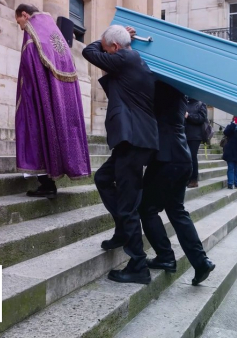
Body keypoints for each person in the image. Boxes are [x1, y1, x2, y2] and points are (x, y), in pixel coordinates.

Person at [82, 25, 159, 285]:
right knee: (103, 178)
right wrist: (115, 40)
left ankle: (138, 265)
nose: (105, 54)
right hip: (136, 140)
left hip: (133, 140)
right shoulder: (133, 60)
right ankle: (121, 232)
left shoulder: (126, 57)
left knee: (128, 206)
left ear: (114, 48)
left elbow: (88, 51)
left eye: (108, 49)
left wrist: (104, 41)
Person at [138, 81, 216, 286]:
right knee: (176, 211)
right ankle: (201, 262)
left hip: (167, 160)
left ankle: (165, 256)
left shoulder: (165, 88)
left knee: (147, 208)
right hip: (181, 158)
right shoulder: (180, 91)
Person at [14, 4, 91, 198]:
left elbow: (30, 71)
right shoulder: (53, 34)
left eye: (19, 22)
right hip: (61, 98)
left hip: (40, 96)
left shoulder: (33, 35)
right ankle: (49, 181)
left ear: (25, 15)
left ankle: (46, 184)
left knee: (37, 129)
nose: (21, 27)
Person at [185, 98, 208, 188]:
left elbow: (202, 118)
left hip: (195, 136)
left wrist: (189, 115)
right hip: (184, 134)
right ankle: (187, 178)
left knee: (192, 157)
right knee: (186, 158)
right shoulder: (185, 102)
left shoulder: (201, 103)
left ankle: (194, 180)